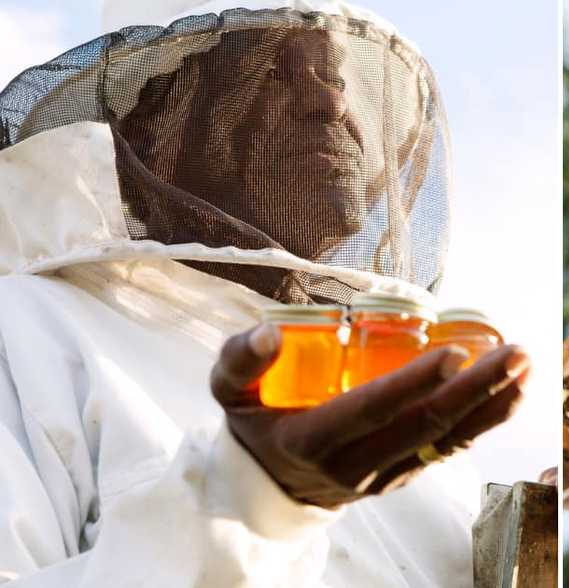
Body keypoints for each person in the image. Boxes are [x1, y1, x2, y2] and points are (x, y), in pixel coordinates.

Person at [0, 1, 531, 585]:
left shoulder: (397, 386)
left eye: (334, 75)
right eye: (268, 72)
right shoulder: (30, 329)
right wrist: (251, 500)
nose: (328, 102)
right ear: (159, 132)